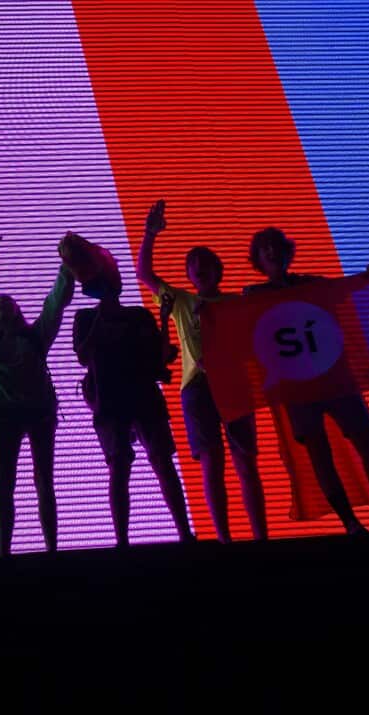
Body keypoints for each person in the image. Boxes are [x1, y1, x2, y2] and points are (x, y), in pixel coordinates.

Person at [243, 227, 369, 535]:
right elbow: (235, 324)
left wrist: (367, 279)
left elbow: (343, 292)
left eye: (276, 245)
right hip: (297, 388)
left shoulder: (313, 285)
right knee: (319, 455)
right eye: (264, 248)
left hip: (334, 377)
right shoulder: (253, 297)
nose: (272, 251)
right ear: (257, 258)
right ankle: (350, 524)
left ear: (286, 251)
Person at [136, 200, 267, 543]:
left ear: (217, 270)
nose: (200, 269)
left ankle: (261, 538)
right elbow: (145, 275)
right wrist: (150, 233)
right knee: (212, 463)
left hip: (235, 385)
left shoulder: (238, 303)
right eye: (194, 265)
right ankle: (224, 539)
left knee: (245, 461)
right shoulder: (180, 301)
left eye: (206, 263)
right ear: (189, 275)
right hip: (197, 387)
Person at [67, 233, 194, 547]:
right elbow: (83, 356)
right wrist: (100, 319)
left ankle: (184, 534)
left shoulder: (139, 314)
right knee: (119, 466)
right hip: (109, 397)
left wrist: (164, 322)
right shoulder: (85, 317)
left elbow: (160, 357)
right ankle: (122, 541)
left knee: (162, 461)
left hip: (143, 394)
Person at [0, 232, 75, 555]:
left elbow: (56, 303)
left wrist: (66, 266)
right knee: (4, 485)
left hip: (40, 413)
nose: (1, 304)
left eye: (6, 301)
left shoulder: (36, 336)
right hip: (4, 417)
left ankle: (52, 548)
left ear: (16, 309)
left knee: (44, 481)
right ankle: (4, 551)